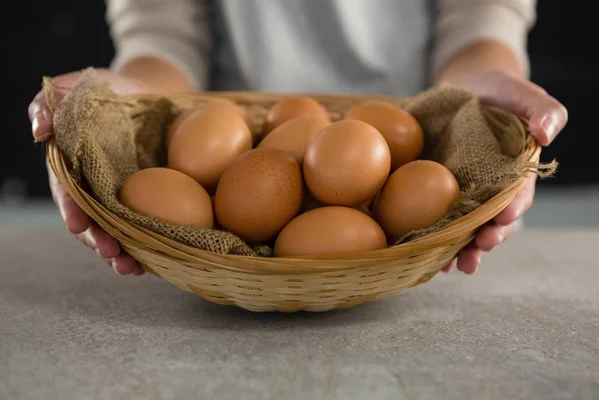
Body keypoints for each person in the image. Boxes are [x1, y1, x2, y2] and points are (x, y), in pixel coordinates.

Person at [28, 0, 568, 277]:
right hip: (239, 140)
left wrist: (475, 91)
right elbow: (163, 37)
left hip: (416, 138)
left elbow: (480, 21)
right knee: (258, 187)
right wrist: (126, 97)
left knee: (409, 185)